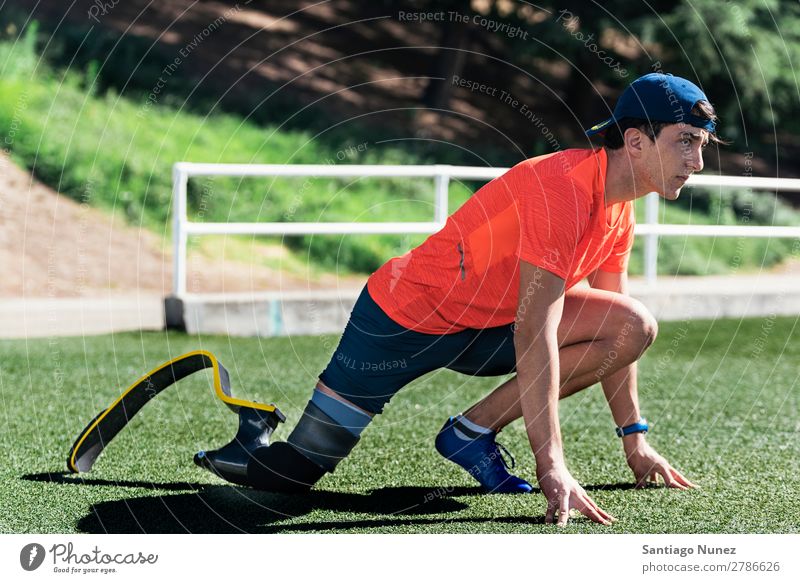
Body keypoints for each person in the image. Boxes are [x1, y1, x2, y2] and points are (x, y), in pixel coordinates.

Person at [198, 72, 721, 526]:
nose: (697, 161)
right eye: (686, 141)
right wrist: (551, 464)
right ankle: (252, 434)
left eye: (701, 144)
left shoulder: (619, 209)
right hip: (399, 320)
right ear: (635, 141)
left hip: (486, 333)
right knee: (294, 475)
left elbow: (613, 326)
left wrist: (635, 439)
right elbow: (536, 329)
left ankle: (471, 432)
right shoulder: (561, 189)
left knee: (633, 325)